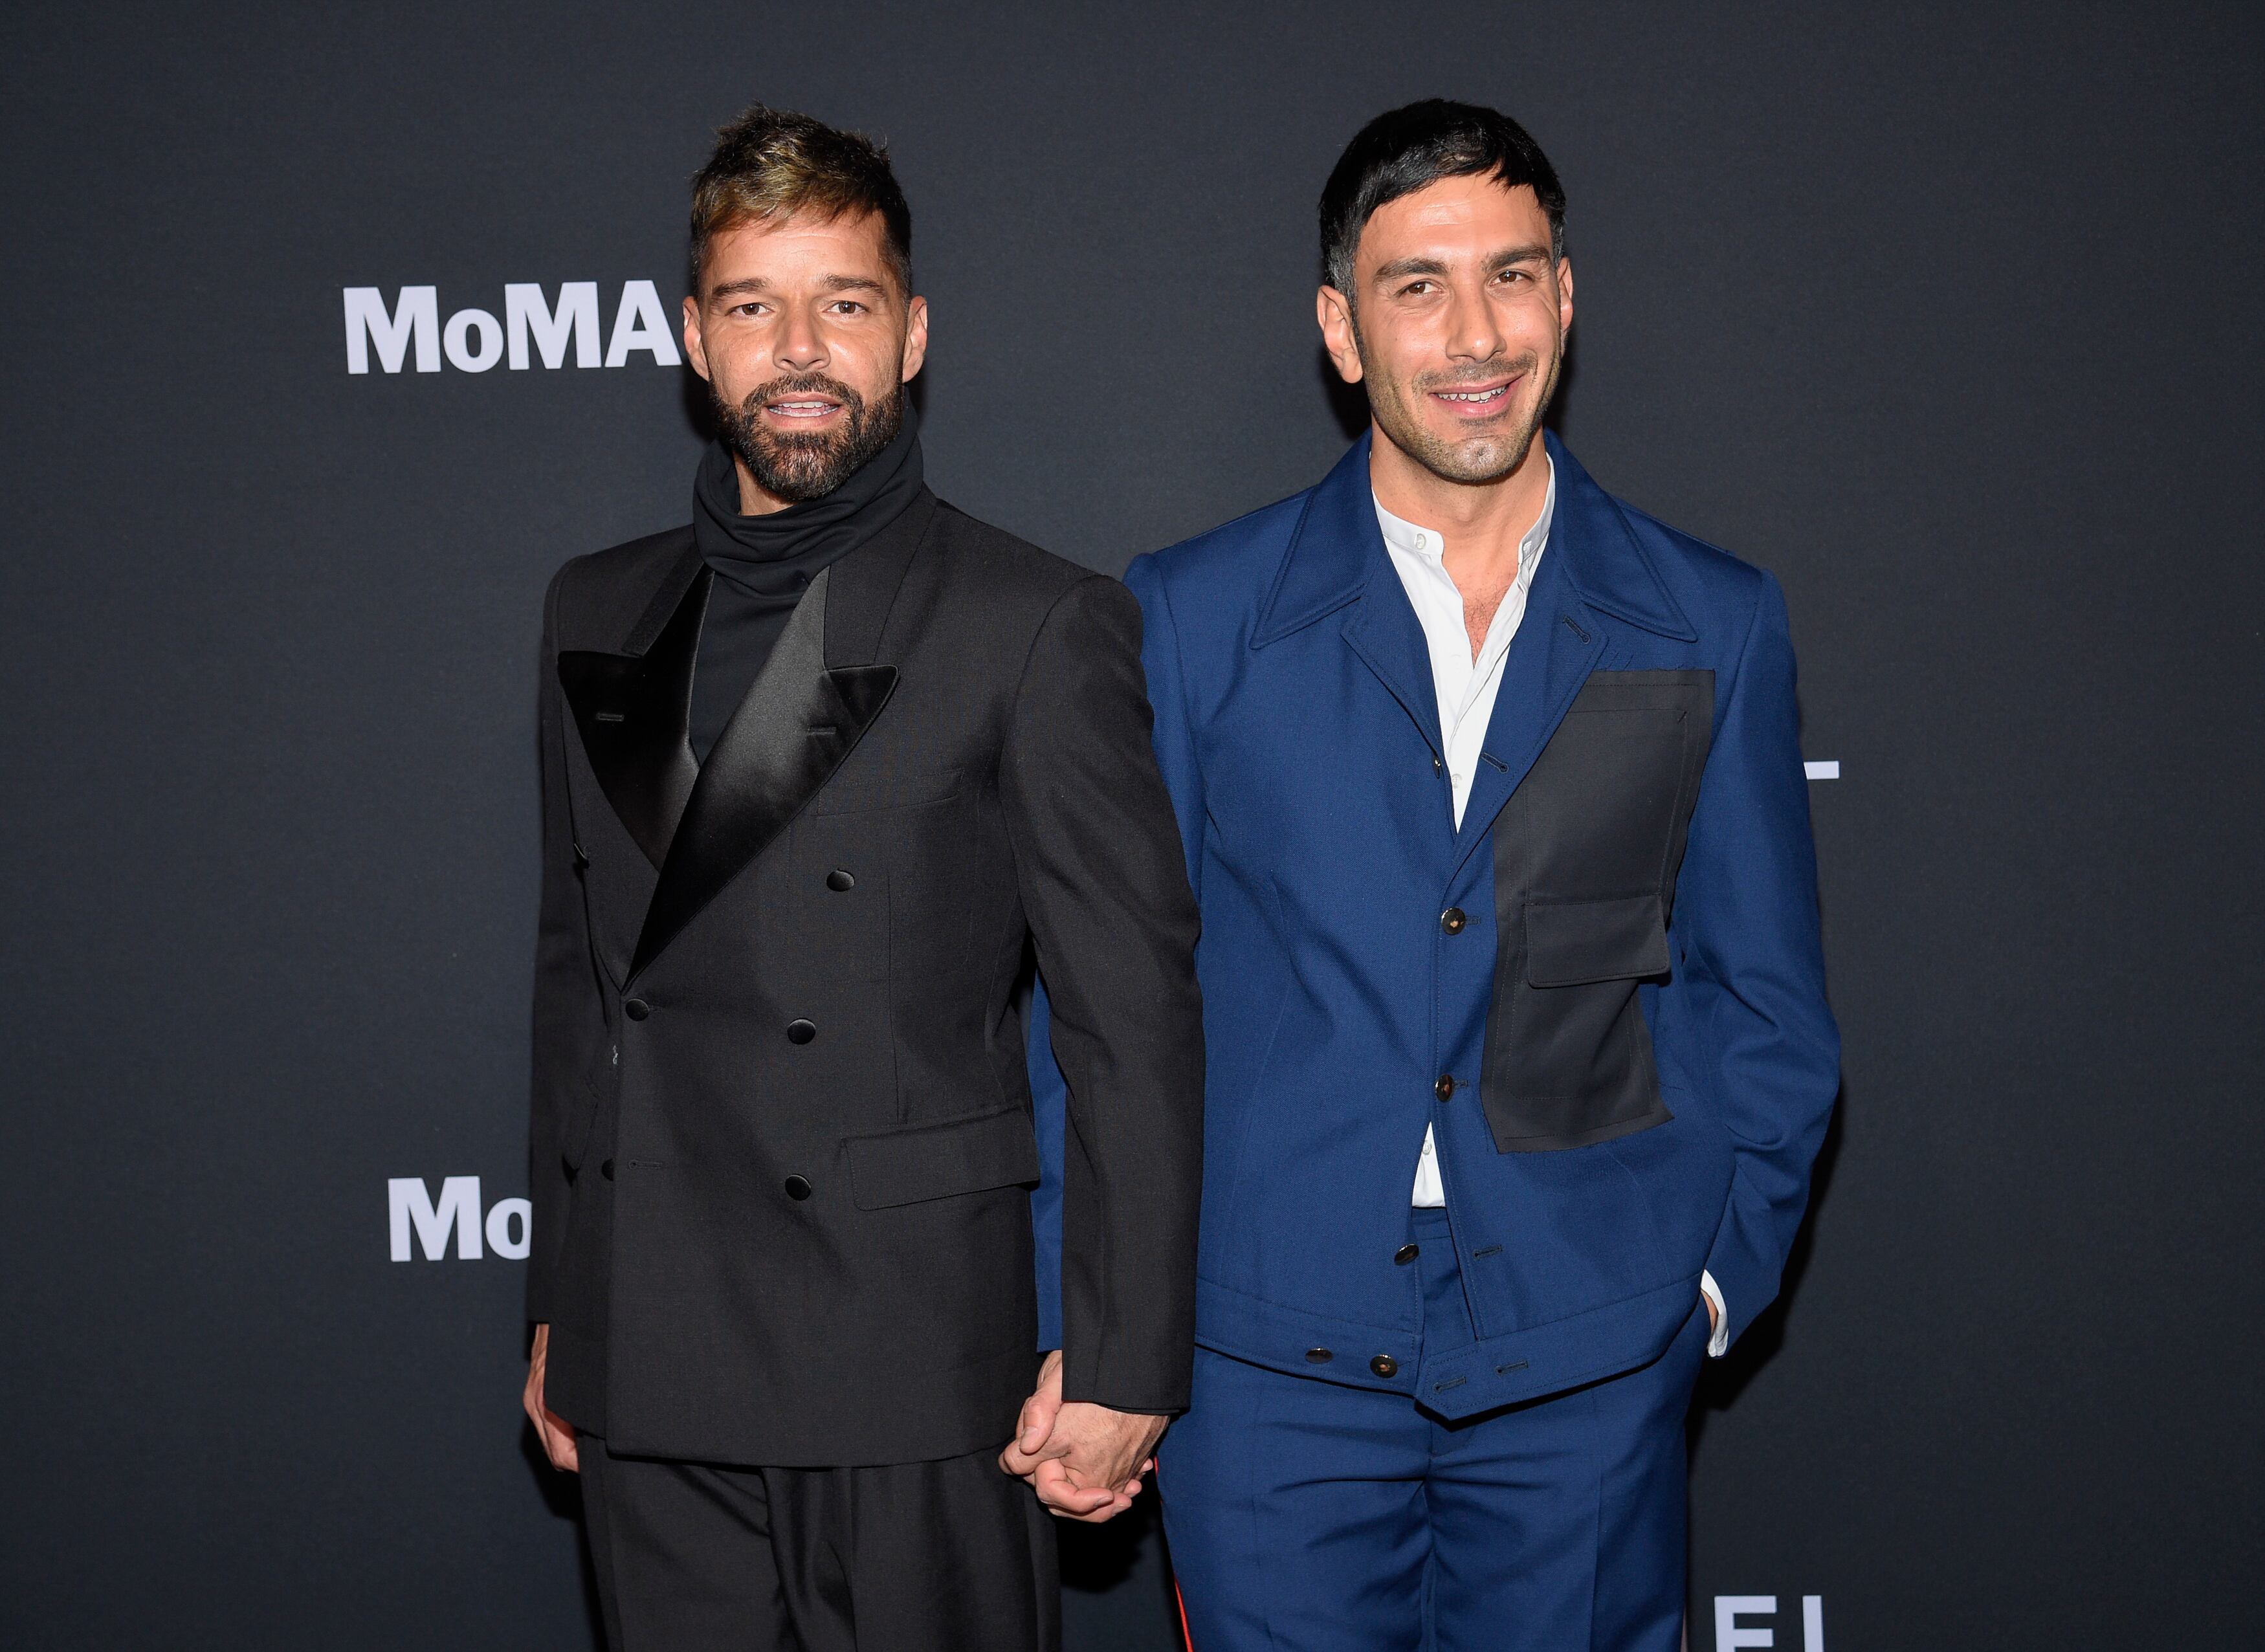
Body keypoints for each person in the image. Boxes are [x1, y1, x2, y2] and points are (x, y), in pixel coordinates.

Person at [1028, 98, 1839, 1649]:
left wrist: (1708, 1291)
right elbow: (1109, 1011)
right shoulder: (1192, 616)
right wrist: (1097, 1322)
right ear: (1341, 329)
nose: (1475, 332)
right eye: (1417, 285)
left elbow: (1767, 998)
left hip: (1588, 1358)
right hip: (1264, 1359)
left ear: (1567, 297)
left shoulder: (1708, 617)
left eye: (1512, 275)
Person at [518, 105, 1203, 1652]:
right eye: (755, 307)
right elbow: (582, 981)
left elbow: (1128, 1023)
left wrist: (1123, 1354)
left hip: (902, 1345)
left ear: (911, 337)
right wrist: (567, 1298)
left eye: (846, 303)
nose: (800, 348)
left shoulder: (1031, 619)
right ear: (697, 340)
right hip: (656, 1349)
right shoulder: (593, 607)